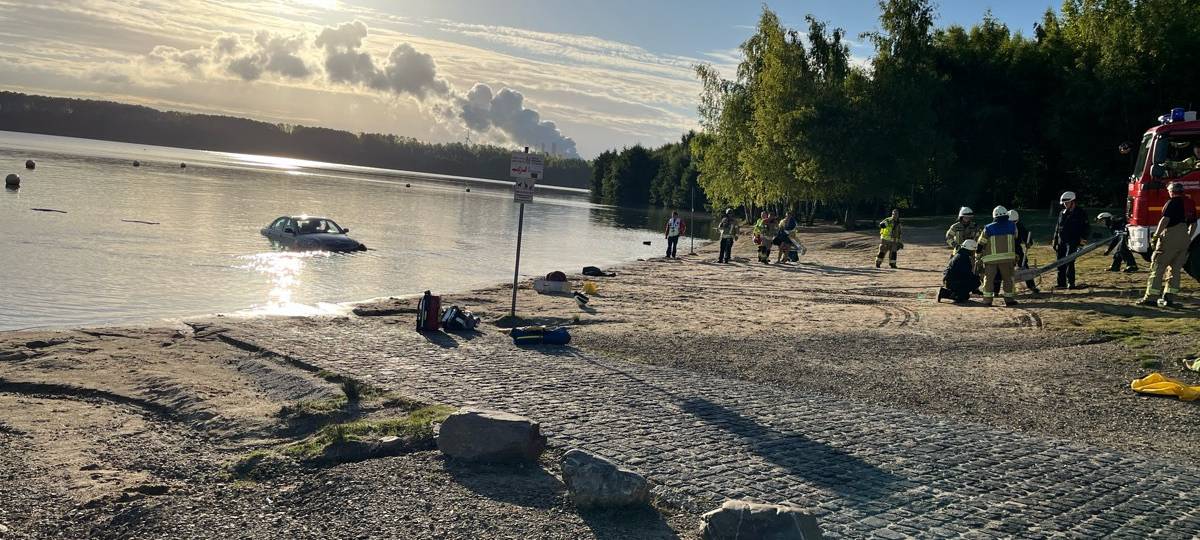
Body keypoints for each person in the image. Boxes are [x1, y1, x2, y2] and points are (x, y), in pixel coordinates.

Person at [1135, 182, 1197, 307]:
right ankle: (1170, 298)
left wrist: (1156, 235)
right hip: (1184, 237)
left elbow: (1165, 220)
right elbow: (1194, 224)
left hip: (1170, 236)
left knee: (1158, 267)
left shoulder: (1172, 202)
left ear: (1171, 192)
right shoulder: (1190, 203)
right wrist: (1188, 238)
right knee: (1175, 270)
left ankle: (1151, 298)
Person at [977, 205, 1019, 306]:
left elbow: (981, 243)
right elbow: (1016, 237)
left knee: (989, 280)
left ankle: (987, 301)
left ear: (994, 216)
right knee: (1008, 279)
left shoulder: (988, 228)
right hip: (1007, 258)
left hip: (991, 260)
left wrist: (978, 253)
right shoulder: (1013, 226)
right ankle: (1009, 300)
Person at [1052, 191, 1088, 289]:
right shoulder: (1062, 213)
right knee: (1060, 262)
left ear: (1073, 202)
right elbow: (1058, 227)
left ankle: (1071, 283)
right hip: (1061, 241)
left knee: (1069, 261)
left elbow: (1086, 228)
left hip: (1073, 241)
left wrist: (1082, 242)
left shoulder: (1080, 213)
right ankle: (1061, 283)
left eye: (1067, 202)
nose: (1065, 204)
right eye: (1064, 203)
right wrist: (1055, 240)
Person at [937, 239, 980, 303]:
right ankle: (946, 293)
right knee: (975, 281)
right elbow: (967, 274)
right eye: (974, 250)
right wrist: (976, 282)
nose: (974, 252)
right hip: (953, 282)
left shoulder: (960, 254)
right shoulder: (964, 258)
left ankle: (953, 293)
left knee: (965, 296)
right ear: (970, 249)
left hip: (950, 280)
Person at [1008, 209, 1041, 294]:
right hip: (1006, 249)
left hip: (1017, 248)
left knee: (1024, 266)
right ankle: (998, 290)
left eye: (1015, 221)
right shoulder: (1003, 226)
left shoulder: (1019, 225)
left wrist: (1028, 242)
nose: (1013, 223)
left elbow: (1025, 235)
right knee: (1004, 267)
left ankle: (1031, 286)